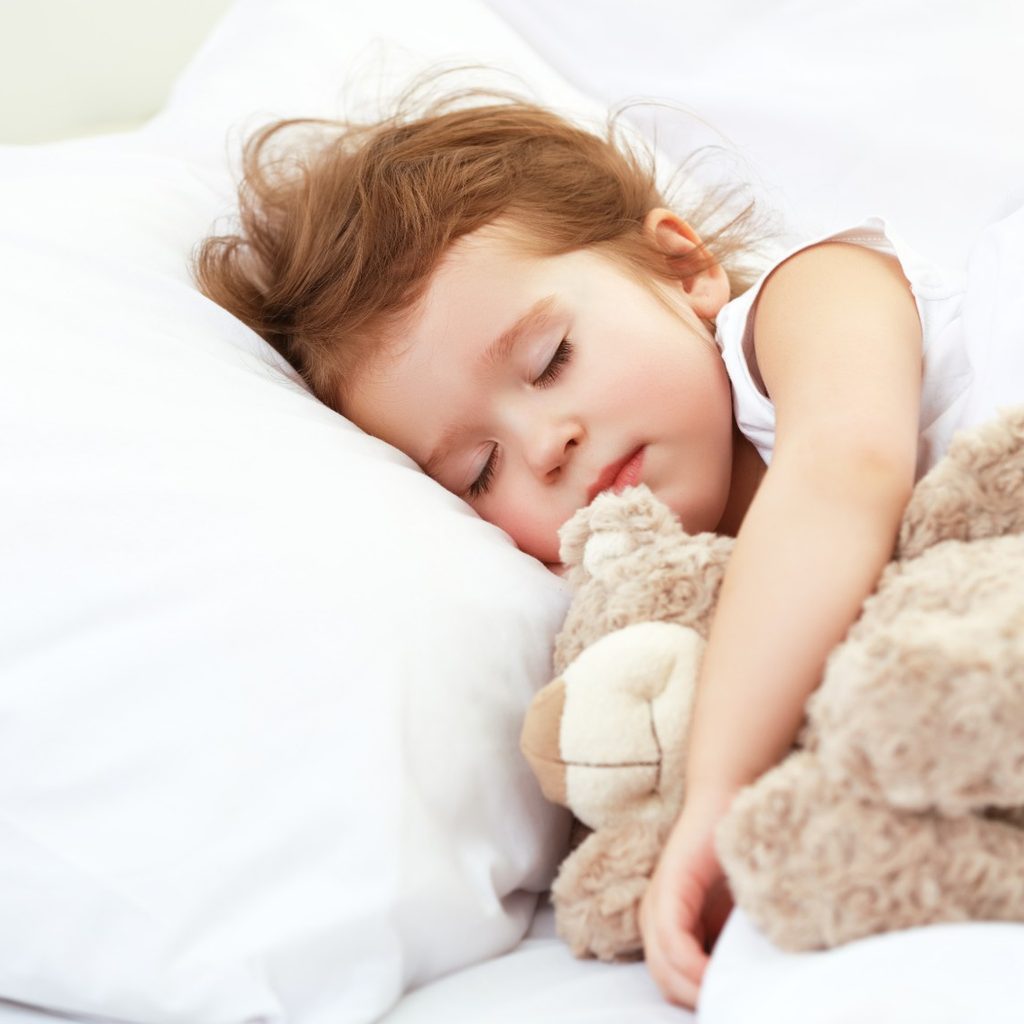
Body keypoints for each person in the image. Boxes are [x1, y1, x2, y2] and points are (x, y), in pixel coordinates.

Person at [194, 90, 977, 1009]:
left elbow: (846, 471)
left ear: (681, 267)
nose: (545, 445)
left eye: (552, 359)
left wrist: (716, 791)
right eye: (480, 472)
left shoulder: (810, 300)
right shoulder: (656, 593)